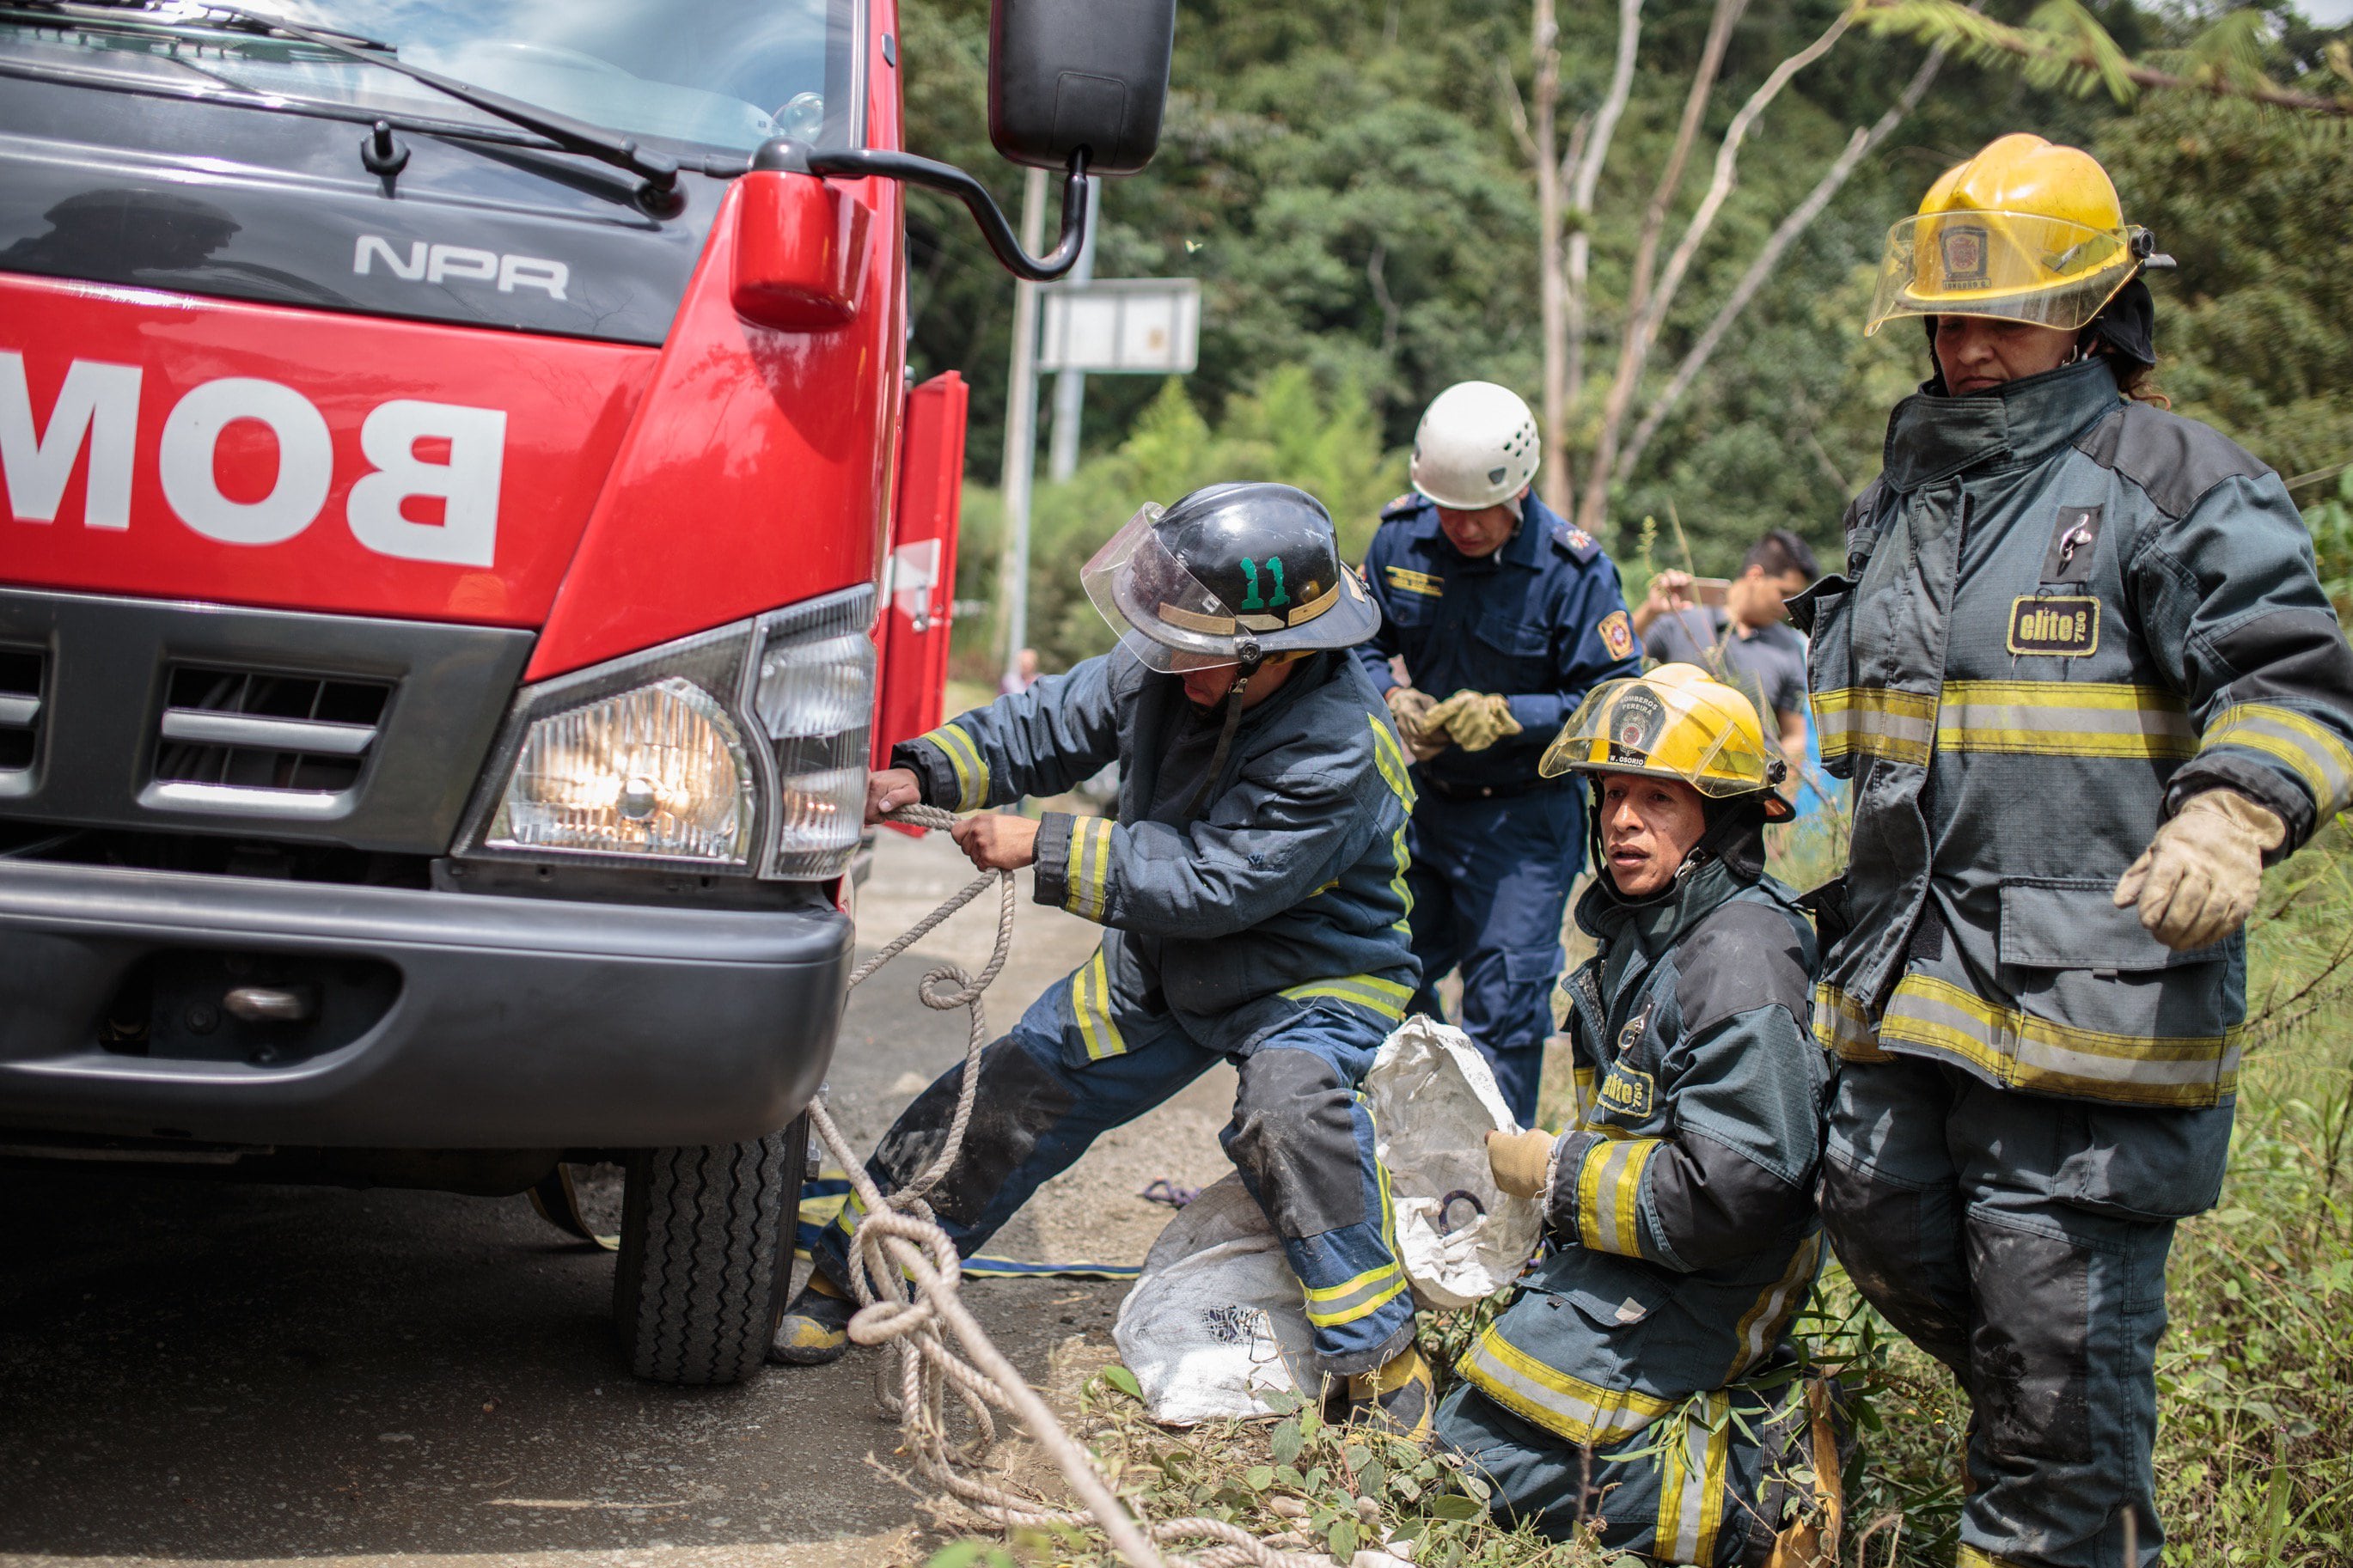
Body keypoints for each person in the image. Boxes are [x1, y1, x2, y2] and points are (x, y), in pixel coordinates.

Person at [1794, 132, 2353, 1568]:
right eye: (1948, 315)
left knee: (2055, 1357)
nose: (1966, 346)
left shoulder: (2173, 481)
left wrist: (2232, 809)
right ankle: (2049, 1450)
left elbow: (2291, 681)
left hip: (2091, 1013)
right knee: (1875, 1216)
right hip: (1901, 990)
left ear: (2091, 312)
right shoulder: (1897, 502)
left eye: (2002, 316)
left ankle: (2057, 1509)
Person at [773, 482, 1438, 1433]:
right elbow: (1050, 721)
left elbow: (1215, 881)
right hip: (1165, 967)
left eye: (1194, 652)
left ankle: (1376, 1357)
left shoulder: (1339, 746)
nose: (1167, 661)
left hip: (1310, 980)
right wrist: (924, 771)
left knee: (1289, 1115)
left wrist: (1041, 846)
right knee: (1011, 1091)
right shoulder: (1172, 662)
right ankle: (863, 1271)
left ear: (1273, 655)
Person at [1434, 665, 1840, 1565]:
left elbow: (1734, 1194)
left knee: (1466, 1463)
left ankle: (1767, 1487)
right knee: (1459, 1416)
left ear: (1722, 817)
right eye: (1613, 792)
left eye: (1657, 797)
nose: (1621, 818)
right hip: (1636, 1261)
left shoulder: (1737, 956)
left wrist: (1556, 1172)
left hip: (1706, 1276)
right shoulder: (1647, 934)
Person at [1356, 381, 1643, 1124]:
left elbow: (1615, 696)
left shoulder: (1571, 571)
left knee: (1505, 1007)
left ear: (1518, 489)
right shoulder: (1399, 539)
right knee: (1377, 967)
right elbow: (1357, 642)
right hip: (1427, 808)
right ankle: (1401, 1149)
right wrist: (1389, 698)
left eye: (1477, 512)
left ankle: (1496, 1194)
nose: (1461, 527)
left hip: (1523, 824)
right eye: (1446, 510)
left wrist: (1512, 716)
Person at [1634, 529, 1819, 763]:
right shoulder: (1682, 617)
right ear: (1755, 576)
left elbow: (1793, 736)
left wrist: (1779, 795)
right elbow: (1621, 659)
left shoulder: (1789, 647)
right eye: (1784, 593)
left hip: (1747, 792)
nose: (1789, 605)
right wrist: (1649, 611)